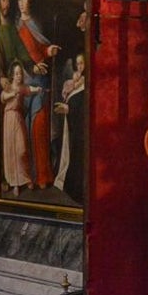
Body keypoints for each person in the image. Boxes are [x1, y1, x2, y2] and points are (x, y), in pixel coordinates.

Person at [14, 0, 60, 189]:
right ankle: (27, 177)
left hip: (41, 82)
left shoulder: (35, 24)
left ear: (30, 1)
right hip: (24, 81)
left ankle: (43, 175)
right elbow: (15, 57)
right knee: (23, 131)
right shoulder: (15, 28)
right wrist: (31, 66)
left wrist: (49, 50)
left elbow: (41, 48)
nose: (23, 2)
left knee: (39, 129)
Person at [53, 52, 85, 204]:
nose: (80, 67)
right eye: (77, 64)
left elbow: (83, 106)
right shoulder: (74, 81)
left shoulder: (87, 82)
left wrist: (68, 108)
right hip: (72, 126)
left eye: (82, 63)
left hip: (81, 130)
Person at [0, 60, 33, 196]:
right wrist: (12, 94)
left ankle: (25, 177)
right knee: (10, 152)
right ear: (12, 75)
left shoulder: (22, 87)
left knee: (22, 149)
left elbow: (30, 90)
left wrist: (39, 89)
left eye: (20, 73)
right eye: (17, 73)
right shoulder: (8, 88)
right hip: (8, 119)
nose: (19, 76)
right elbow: (3, 97)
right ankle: (15, 183)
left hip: (18, 119)